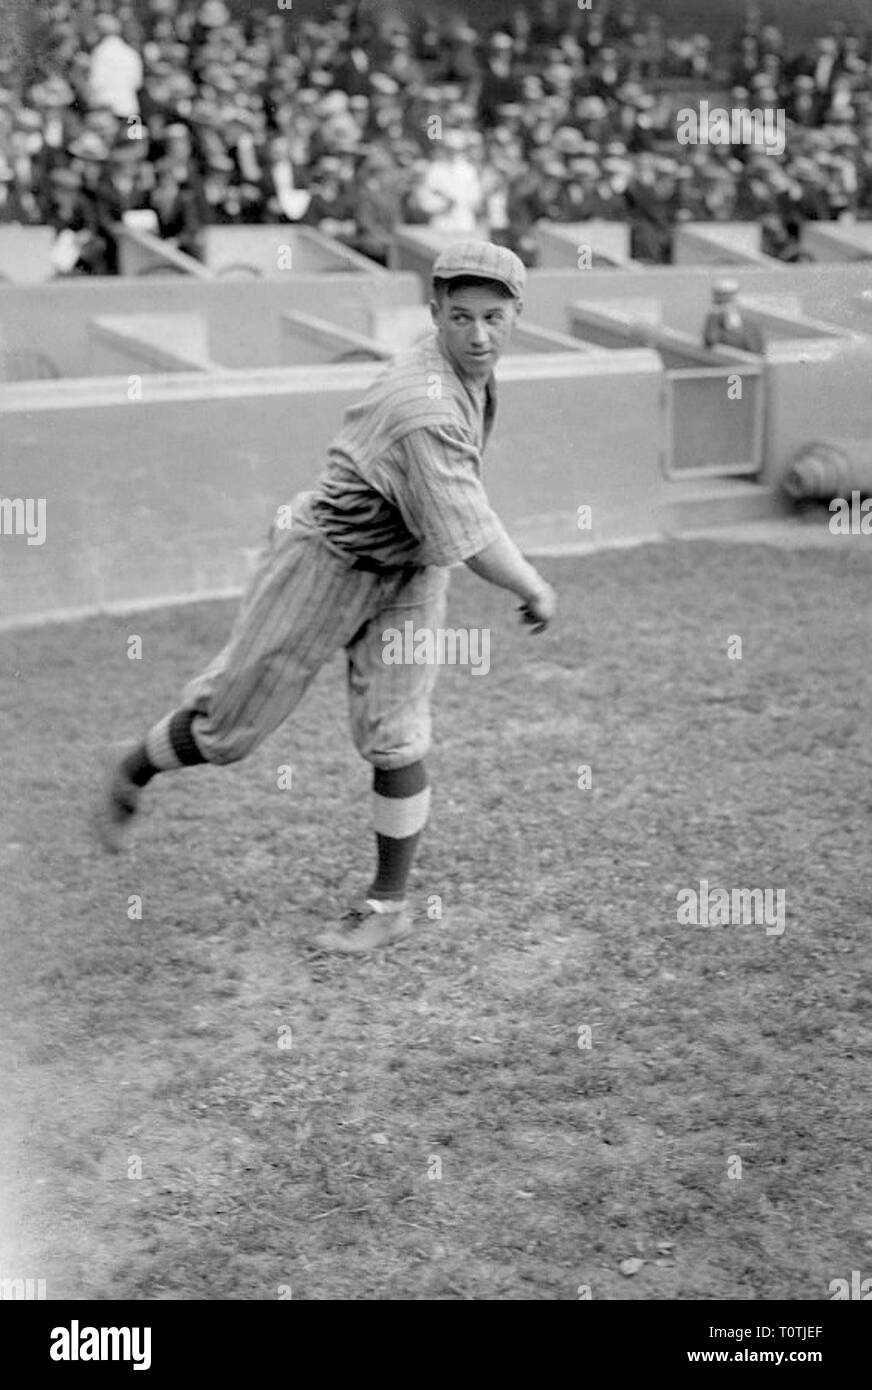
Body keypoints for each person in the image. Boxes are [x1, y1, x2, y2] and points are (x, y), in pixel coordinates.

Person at [94, 242, 557, 954]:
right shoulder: (422, 404)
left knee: (398, 733)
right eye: (460, 316)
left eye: (495, 317)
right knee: (228, 731)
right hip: (326, 559)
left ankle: (386, 906)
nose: (478, 335)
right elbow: (472, 533)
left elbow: (449, 530)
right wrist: (531, 584)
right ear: (433, 311)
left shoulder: (472, 369)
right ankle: (133, 767)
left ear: (518, 315)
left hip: (409, 567)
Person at [702, 279, 764, 354]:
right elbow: (710, 340)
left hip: (745, 355)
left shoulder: (747, 321)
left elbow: (710, 339)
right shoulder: (715, 317)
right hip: (741, 354)